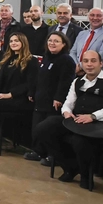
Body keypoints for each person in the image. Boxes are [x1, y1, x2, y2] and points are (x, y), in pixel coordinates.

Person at [37, 50, 103, 188]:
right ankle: (70, 167)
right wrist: (67, 112)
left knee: (79, 141)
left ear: (101, 63)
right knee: (44, 128)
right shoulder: (77, 81)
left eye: (93, 61)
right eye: (85, 61)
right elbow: (68, 103)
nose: (89, 64)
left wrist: (93, 116)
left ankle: (85, 175)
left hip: (100, 124)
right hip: (77, 121)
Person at [25, 31, 76, 162]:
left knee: (48, 130)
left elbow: (66, 82)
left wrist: (59, 98)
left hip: (54, 102)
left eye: (56, 41)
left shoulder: (67, 60)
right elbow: (38, 78)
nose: (52, 43)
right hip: (40, 99)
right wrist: (32, 92)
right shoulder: (46, 57)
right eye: (50, 40)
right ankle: (38, 151)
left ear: (64, 44)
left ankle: (53, 155)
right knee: (36, 127)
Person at [70, 8, 103, 73]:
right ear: (88, 17)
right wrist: (76, 65)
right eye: (92, 15)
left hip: (96, 72)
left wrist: (81, 66)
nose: (95, 18)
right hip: (77, 71)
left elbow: (102, 55)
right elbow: (73, 52)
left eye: (99, 16)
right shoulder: (82, 33)